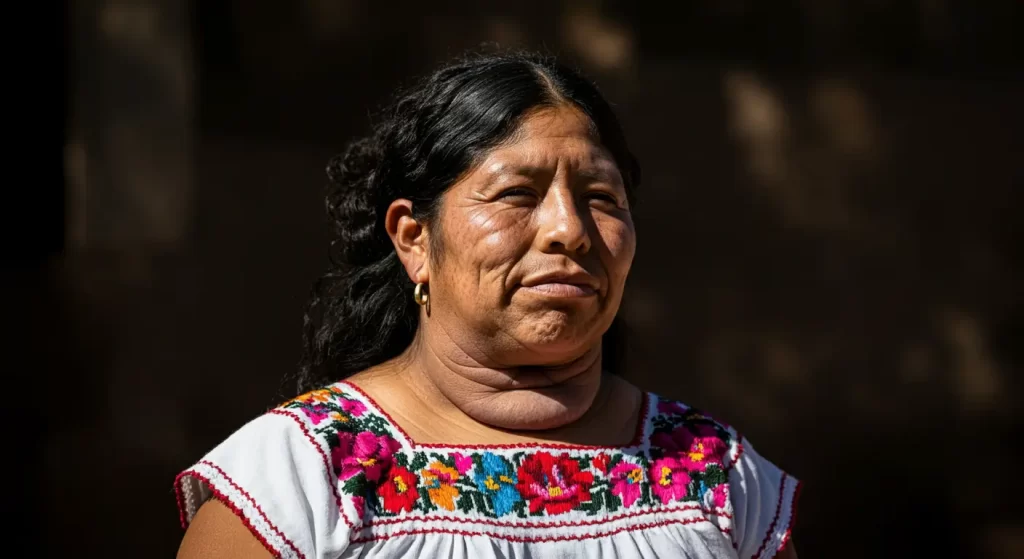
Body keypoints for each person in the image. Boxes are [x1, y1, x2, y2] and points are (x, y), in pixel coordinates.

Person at [175, 50, 800, 559]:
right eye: (516, 193)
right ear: (414, 239)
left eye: (601, 196)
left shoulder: (718, 475)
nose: (569, 229)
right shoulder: (300, 480)